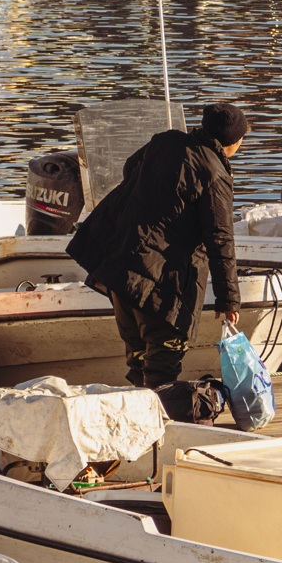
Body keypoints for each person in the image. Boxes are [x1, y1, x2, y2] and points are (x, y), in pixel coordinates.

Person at [68, 104, 247, 409]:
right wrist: (229, 300)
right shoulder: (215, 173)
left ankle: (138, 418)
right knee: (163, 363)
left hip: (120, 266)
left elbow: (129, 168)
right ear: (234, 141)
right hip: (162, 282)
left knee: (138, 356)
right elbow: (220, 240)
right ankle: (155, 424)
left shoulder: (166, 141)